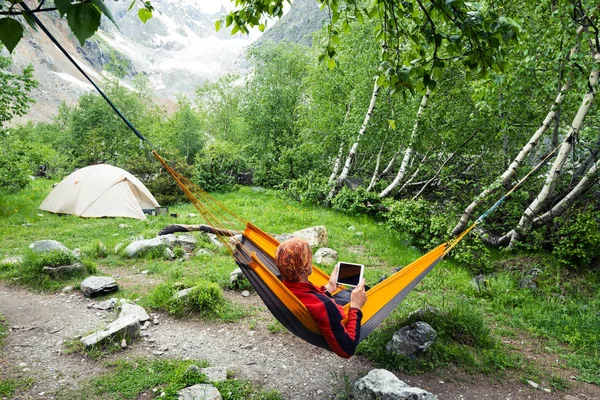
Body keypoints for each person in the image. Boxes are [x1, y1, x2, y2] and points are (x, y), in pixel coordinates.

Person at [275, 237, 367, 358]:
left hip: (323, 309)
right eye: (308, 257)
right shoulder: (325, 306)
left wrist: (329, 288)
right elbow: (347, 349)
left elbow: (310, 298)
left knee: (354, 291)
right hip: (334, 318)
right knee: (362, 292)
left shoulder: (282, 287)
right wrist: (356, 307)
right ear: (305, 265)